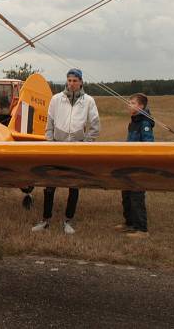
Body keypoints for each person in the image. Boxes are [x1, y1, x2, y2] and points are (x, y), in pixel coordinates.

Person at [32, 68, 100, 234]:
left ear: (81, 82)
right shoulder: (56, 99)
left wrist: (85, 143)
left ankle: (68, 220)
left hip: (77, 148)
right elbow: (49, 123)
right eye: (69, 80)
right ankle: (45, 220)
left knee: (73, 186)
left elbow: (95, 125)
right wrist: (50, 143)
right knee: (50, 186)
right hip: (57, 146)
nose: (71, 83)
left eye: (75, 80)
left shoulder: (89, 101)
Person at [116, 92, 154, 238]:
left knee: (137, 196)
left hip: (138, 164)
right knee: (126, 193)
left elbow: (148, 144)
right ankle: (129, 223)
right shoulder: (134, 121)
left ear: (141, 106)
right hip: (129, 162)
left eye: (132, 103)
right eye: (129, 102)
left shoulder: (144, 124)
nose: (129, 105)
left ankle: (142, 229)